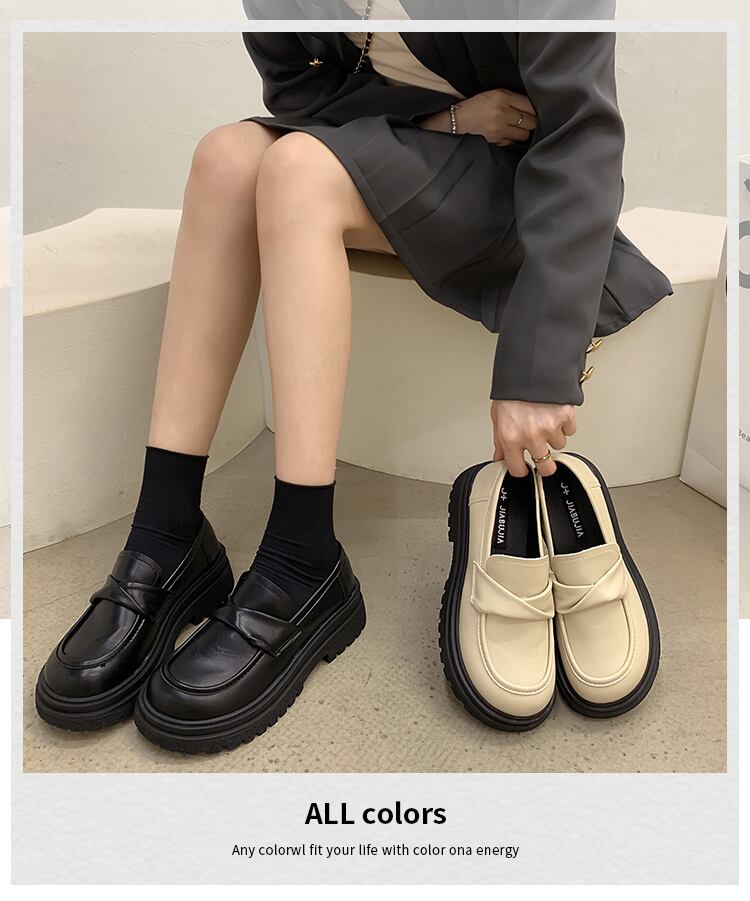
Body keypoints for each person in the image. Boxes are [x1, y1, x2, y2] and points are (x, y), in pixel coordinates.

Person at [35, 26, 671, 752]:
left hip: (515, 180)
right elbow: (300, 91)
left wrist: (538, 367)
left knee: (297, 169)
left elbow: (581, 137)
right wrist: (444, 119)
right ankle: (165, 535)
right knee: (225, 158)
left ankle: (301, 557)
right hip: (414, 143)